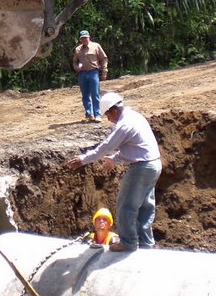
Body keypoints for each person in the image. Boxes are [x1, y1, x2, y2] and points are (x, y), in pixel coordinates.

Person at [65, 92, 161, 252]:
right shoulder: (134, 116)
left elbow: (106, 146)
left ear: (113, 110)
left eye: (107, 115)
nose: (108, 119)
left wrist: (83, 159)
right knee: (145, 206)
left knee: (126, 205)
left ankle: (128, 242)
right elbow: (136, 147)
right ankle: (146, 244)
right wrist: (114, 159)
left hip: (141, 168)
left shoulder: (125, 125)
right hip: (153, 165)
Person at [73, 30, 108, 122]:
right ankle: (89, 114)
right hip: (82, 74)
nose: (84, 40)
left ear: (89, 37)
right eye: (82, 38)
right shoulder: (78, 49)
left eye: (85, 38)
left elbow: (103, 58)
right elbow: (75, 61)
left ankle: (97, 115)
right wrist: (77, 67)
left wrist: (104, 71)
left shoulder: (96, 46)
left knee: (95, 94)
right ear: (80, 39)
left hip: (93, 72)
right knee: (85, 95)